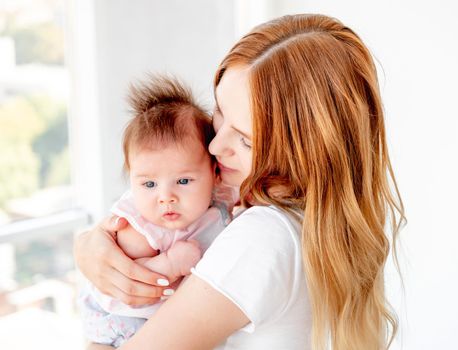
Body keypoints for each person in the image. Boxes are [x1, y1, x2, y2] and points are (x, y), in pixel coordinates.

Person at [74, 14, 405, 350]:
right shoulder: (309, 220)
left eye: (245, 140)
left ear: (303, 152)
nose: (216, 146)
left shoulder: (263, 236)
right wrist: (91, 242)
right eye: (220, 112)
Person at [78, 75, 236, 347]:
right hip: (123, 321)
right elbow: (126, 278)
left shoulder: (220, 197)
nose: (166, 198)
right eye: (149, 183)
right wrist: (169, 264)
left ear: (215, 172)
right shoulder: (140, 227)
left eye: (183, 181)